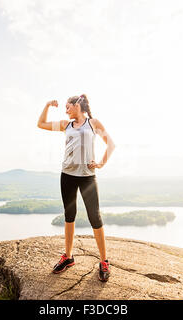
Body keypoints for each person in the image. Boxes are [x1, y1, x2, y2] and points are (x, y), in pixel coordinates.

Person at [37, 94, 116, 282]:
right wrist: (48, 105)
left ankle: (104, 261)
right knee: (69, 215)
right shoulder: (66, 125)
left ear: (78, 106)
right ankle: (68, 256)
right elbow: (41, 124)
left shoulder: (93, 123)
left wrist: (101, 163)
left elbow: (111, 144)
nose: (66, 110)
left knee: (94, 217)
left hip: (88, 177)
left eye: (68, 107)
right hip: (67, 175)